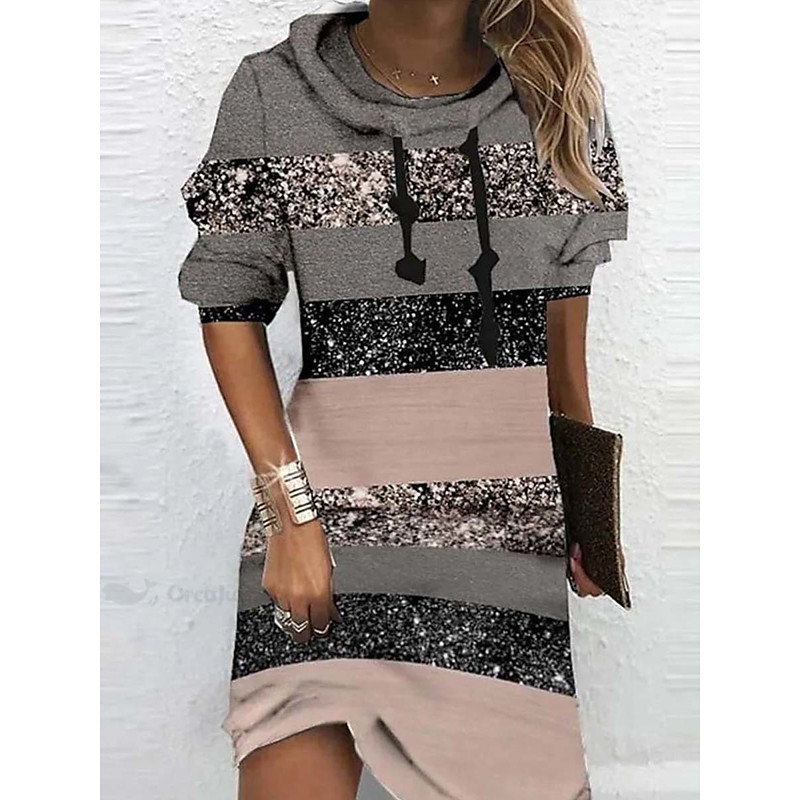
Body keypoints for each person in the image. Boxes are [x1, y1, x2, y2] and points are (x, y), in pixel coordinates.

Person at [178, 1, 629, 798]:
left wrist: (588, 511)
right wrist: (290, 515)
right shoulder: (272, 91)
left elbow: (562, 338)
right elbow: (229, 308)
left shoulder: (557, 96)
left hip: (501, 543)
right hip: (322, 534)